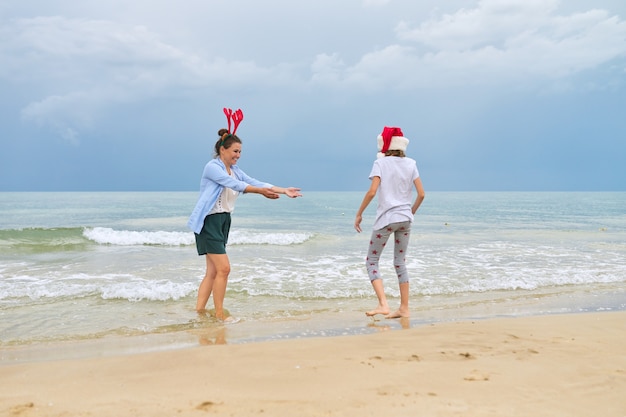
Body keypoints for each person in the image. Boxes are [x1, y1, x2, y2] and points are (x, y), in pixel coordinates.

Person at [188, 108, 302, 321]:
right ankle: (220, 314)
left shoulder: (235, 169)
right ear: (223, 149)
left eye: (240, 152)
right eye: (235, 151)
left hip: (223, 221)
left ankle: (200, 312)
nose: (238, 155)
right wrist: (260, 193)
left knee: (213, 272)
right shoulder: (212, 168)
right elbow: (236, 185)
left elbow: (254, 181)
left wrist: (283, 190)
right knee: (224, 269)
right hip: (209, 222)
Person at [354, 126, 425, 319]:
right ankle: (404, 308)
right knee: (400, 263)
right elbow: (421, 194)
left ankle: (383, 304)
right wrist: (410, 213)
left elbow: (371, 192)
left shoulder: (380, 164)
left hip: (386, 219)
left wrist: (359, 214)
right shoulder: (411, 163)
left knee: (371, 261)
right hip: (405, 220)